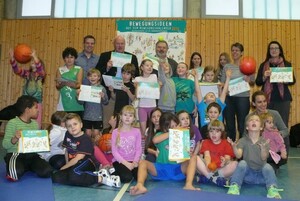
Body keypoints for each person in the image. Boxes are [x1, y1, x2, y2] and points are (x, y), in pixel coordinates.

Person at [129, 112, 199, 196]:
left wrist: (188, 154)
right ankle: (140, 185)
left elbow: (185, 154)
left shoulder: (182, 135)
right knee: (142, 162)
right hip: (160, 169)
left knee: (194, 157)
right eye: (171, 127)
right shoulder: (160, 134)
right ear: (164, 128)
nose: (174, 128)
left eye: (175, 125)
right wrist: (172, 132)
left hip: (177, 169)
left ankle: (188, 184)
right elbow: (155, 140)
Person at [52, 113, 121, 187]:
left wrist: (64, 168)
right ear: (66, 128)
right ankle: (88, 176)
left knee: (73, 175)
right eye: (69, 126)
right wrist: (66, 166)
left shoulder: (85, 139)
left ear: (81, 125)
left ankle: (100, 178)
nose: (72, 127)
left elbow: (78, 158)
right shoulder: (67, 134)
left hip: (87, 163)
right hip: (74, 164)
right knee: (56, 177)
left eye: (75, 124)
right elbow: (67, 151)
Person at [227, 114, 283, 199]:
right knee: (242, 163)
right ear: (247, 127)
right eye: (251, 120)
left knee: (268, 167)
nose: (253, 121)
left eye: (257, 120)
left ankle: (272, 188)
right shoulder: (243, 140)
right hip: (247, 176)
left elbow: (264, 158)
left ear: (261, 128)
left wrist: (263, 148)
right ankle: (234, 186)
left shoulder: (264, 141)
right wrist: (234, 147)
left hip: (262, 177)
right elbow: (238, 155)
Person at [2, 95, 52, 181]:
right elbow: (5, 145)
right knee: (15, 174)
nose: (38, 110)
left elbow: (36, 145)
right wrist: (15, 138)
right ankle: (19, 166)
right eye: (35, 108)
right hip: (16, 154)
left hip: (32, 155)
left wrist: (44, 142)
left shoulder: (35, 124)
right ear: (27, 110)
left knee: (47, 171)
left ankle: (26, 166)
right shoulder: (13, 123)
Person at [255, 41, 296, 127]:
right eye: (271, 48)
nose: (274, 50)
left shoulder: (286, 64)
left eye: (276, 48)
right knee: (266, 124)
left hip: (283, 99)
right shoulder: (263, 65)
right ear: (269, 51)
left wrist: (285, 79)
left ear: (280, 50)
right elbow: (258, 82)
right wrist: (264, 76)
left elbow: (293, 81)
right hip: (267, 100)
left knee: (283, 125)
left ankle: (283, 141)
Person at [220, 42, 255, 141]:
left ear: (241, 53)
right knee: (230, 125)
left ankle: (241, 148)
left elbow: (253, 83)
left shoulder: (248, 65)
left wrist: (249, 80)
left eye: (237, 50)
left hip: (242, 98)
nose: (234, 52)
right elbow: (222, 84)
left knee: (242, 124)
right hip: (229, 98)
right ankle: (231, 147)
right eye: (233, 50)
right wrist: (224, 89)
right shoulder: (227, 67)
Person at [246, 90, 289, 165]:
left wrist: (277, 134)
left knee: (284, 139)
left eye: (264, 101)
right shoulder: (250, 117)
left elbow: (285, 130)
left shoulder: (274, 113)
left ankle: (274, 160)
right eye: (259, 102)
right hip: (258, 147)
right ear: (253, 103)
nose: (263, 104)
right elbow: (245, 134)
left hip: (273, 148)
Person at [9, 49, 45, 128]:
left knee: (37, 123)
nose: (32, 62)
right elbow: (17, 70)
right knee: (24, 121)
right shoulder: (26, 73)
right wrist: (12, 59)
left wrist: (34, 56)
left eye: (34, 61)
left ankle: (36, 136)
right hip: (26, 102)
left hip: (37, 102)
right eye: (31, 61)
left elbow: (40, 68)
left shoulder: (40, 74)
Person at [196, 120, 237, 187]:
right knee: (196, 158)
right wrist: (208, 166)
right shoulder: (206, 142)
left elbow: (227, 158)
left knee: (235, 164)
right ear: (208, 133)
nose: (214, 134)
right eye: (211, 131)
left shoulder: (226, 143)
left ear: (222, 133)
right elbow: (207, 156)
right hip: (207, 168)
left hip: (220, 169)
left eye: (217, 131)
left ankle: (207, 178)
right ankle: (214, 179)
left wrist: (225, 160)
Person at [111, 105, 142, 183]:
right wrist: (126, 164)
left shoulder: (137, 131)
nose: (127, 117)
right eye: (125, 115)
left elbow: (138, 148)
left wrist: (135, 162)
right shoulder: (115, 132)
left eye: (130, 115)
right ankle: (111, 172)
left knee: (140, 176)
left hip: (133, 161)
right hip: (120, 161)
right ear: (121, 116)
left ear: (134, 118)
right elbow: (114, 152)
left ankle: (127, 171)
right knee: (127, 178)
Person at [80, 68, 108, 140]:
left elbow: (106, 102)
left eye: (95, 76)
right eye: (90, 76)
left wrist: (103, 97)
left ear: (99, 77)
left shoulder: (102, 88)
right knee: (88, 134)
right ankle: (88, 149)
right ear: (88, 77)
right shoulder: (85, 88)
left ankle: (96, 150)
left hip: (97, 115)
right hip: (87, 115)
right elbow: (81, 102)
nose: (92, 78)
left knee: (96, 134)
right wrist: (78, 96)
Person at [55, 47, 84, 118]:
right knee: (63, 125)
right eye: (67, 57)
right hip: (63, 102)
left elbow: (79, 85)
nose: (69, 59)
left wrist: (67, 83)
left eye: (71, 57)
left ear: (75, 58)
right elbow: (57, 86)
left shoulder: (79, 69)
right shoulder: (60, 70)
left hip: (76, 101)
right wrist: (63, 84)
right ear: (64, 58)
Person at [134, 59, 158, 137]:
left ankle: (153, 145)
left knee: (154, 128)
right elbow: (137, 95)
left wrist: (159, 85)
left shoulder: (154, 76)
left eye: (151, 66)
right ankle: (142, 147)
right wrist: (137, 87)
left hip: (153, 106)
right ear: (141, 67)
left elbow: (156, 90)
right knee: (143, 130)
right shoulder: (137, 79)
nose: (150, 67)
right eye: (147, 65)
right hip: (142, 107)